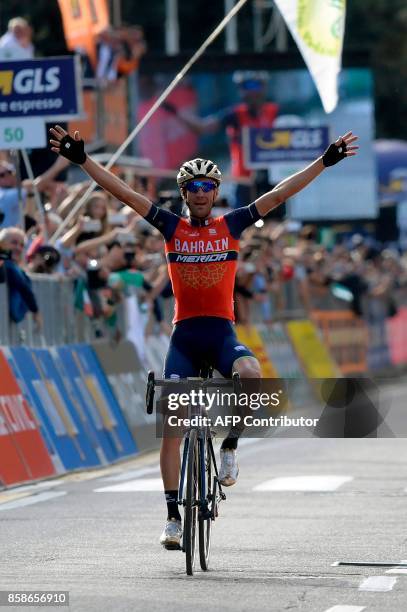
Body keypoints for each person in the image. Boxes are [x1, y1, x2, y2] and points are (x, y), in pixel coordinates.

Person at [49, 124, 358, 549]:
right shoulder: (170, 228)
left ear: (214, 193)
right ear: (183, 192)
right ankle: (173, 516)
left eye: (207, 186)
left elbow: (280, 195)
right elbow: (123, 193)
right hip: (184, 338)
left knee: (250, 373)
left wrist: (324, 162)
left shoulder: (231, 226)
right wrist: (83, 161)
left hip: (220, 333)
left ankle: (230, 445)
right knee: (172, 425)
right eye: (192, 186)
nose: (199, 192)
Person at [165, 71, 279, 208]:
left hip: (273, 178)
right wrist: (176, 112)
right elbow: (202, 128)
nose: (252, 92)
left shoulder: (275, 112)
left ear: (264, 88)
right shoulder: (235, 115)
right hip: (244, 180)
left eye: (256, 86)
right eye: (247, 87)